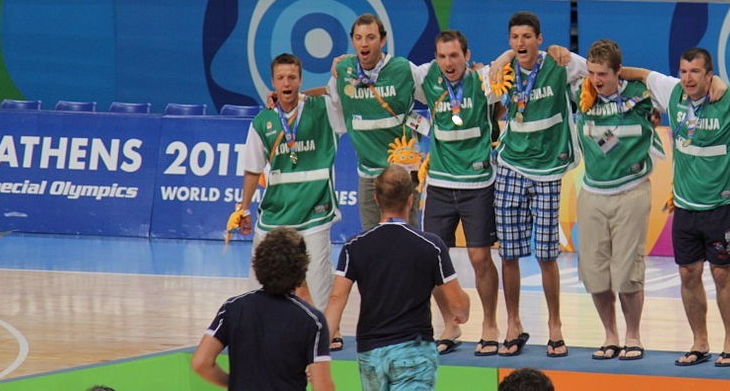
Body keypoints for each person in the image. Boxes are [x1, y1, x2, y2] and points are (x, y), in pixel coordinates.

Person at [622, 48, 730, 368]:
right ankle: (699, 342)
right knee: (687, 273)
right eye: (683, 71)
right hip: (684, 206)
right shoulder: (673, 92)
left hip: (724, 204)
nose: (688, 78)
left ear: (710, 76)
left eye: (695, 72)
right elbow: (636, 73)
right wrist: (581, 65)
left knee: (723, 273)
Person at [489, 11, 587, 357]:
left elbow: (595, 71)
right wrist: (502, 60)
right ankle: (513, 323)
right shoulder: (504, 71)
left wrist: (568, 53)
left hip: (548, 171)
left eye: (527, 37)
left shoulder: (559, 65)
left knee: (547, 256)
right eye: (515, 37)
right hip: (511, 167)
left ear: (539, 39)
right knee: (509, 254)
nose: (521, 43)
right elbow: (485, 88)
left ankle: (555, 326)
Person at [325, 165, 471, 390]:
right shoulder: (431, 246)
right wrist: (463, 310)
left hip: (371, 352)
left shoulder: (354, 246)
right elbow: (458, 306)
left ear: (375, 199)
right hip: (414, 352)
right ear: (411, 199)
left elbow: (336, 299)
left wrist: (318, 352)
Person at [570, 39, 661, 361]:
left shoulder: (642, 97)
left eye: (603, 74)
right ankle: (610, 335)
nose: (597, 79)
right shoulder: (581, 95)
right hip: (592, 193)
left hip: (631, 191)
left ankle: (633, 335)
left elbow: (675, 87)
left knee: (627, 272)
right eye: (592, 72)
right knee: (594, 272)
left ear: (618, 72)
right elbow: (556, 58)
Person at [415, 30, 504, 356]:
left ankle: (490, 324)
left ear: (467, 55)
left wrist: (505, 58)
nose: (448, 63)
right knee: (431, 261)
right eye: (442, 56)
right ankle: (450, 323)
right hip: (438, 183)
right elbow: (380, 70)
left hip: (478, 183)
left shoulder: (482, 80)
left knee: (480, 258)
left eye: (454, 56)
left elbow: (507, 65)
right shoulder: (427, 78)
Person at [235, 53, 341, 311]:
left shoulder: (323, 109)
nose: (286, 83)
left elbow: (335, 93)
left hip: (315, 212)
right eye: (281, 78)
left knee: (317, 281)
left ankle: (324, 333)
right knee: (258, 283)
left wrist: (337, 70)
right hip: (275, 213)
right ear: (272, 81)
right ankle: (257, 326)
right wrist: (243, 208)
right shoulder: (263, 121)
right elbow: (252, 169)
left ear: (300, 80)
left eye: (292, 77)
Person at [190, 227, 335, 391]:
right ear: (302, 268)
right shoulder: (312, 320)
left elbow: (201, 362)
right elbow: (323, 387)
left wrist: (234, 383)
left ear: (258, 263)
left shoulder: (233, 308)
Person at [326, 13, 426, 232]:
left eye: (370, 37)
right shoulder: (343, 71)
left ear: (382, 41)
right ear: (352, 41)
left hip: (402, 171)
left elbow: (435, 94)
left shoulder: (402, 69)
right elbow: (328, 102)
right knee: (371, 238)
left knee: (408, 238)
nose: (364, 43)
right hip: (368, 174)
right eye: (359, 38)